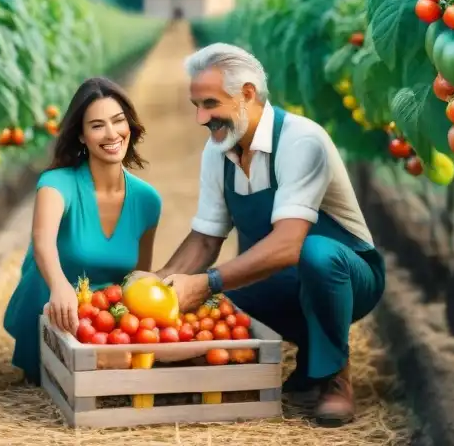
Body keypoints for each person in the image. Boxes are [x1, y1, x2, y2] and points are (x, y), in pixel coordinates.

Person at [155, 43, 384, 426]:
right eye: (196, 105)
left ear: (247, 93)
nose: (200, 117)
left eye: (210, 103)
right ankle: (309, 355)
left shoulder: (301, 141)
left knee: (317, 255)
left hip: (348, 275)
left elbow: (288, 244)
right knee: (213, 304)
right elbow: (206, 239)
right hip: (280, 279)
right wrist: (161, 283)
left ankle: (334, 377)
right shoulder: (218, 151)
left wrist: (207, 281)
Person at [3, 76, 162, 385]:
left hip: (102, 316)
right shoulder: (56, 185)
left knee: (124, 364)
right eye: (97, 125)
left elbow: (139, 275)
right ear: (81, 136)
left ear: (130, 125)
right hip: (53, 302)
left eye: (118, 121)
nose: (112, 133)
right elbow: (43, 243)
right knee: (85, 370)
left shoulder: (147, 200)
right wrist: (61, 286)